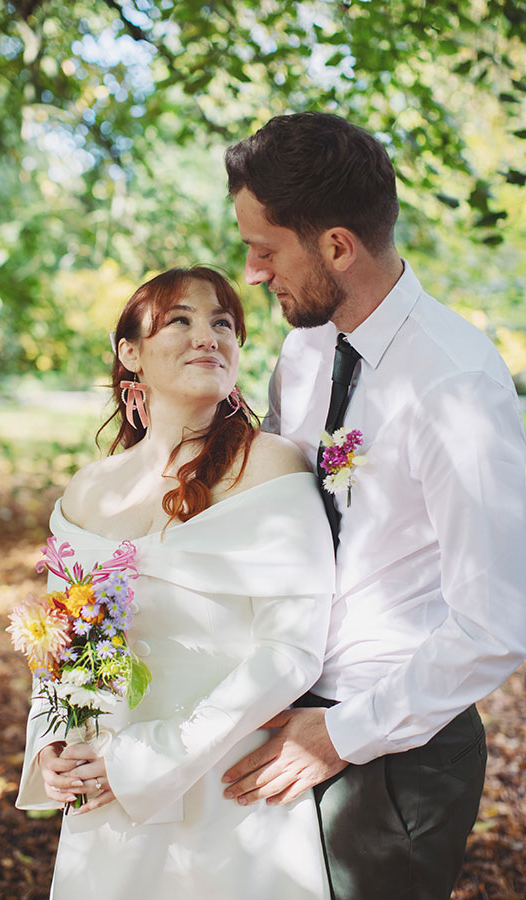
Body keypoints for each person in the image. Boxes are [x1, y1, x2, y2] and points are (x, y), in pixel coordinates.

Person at [221, 112, 526, 900]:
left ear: (336, 247)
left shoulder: (455, 385)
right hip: (284, 715)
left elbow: (495, 625)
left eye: (265, 250)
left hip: (395, 759)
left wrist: (339, 735)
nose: (251, 273)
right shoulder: (303, 350)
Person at [16, 266, 335, 900]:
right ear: (130, 352)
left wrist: (148, 759)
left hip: (228, 787)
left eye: (223, 323)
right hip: (105, 796)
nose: (207, 337)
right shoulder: (89, 489)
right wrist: (53, 743)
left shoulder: (272, 466)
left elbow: (291, 650)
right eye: (180, 321)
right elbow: (58, 645)